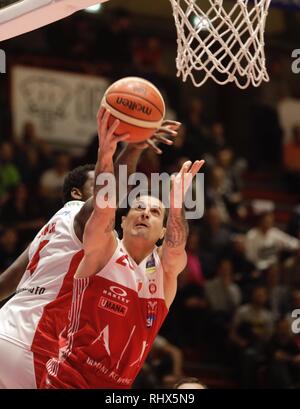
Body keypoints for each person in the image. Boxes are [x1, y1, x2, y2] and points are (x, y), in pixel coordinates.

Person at [0, 107, 180, 389]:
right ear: (76, 193)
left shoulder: (51, 227)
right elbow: (107, 197)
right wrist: (131, 150)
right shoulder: (79, 218)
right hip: (34, 343)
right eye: (95, 183)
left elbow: (5, 283)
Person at [41, 113, 204, 388]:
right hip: (67, 380)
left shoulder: (163, 275)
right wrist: (105, 158)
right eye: (138, 208)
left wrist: (176, 205)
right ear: (124, 221)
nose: (145, 214)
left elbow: (176, 250)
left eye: (154, 212)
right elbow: (104, 208)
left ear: (163, 232)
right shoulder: (104, 250)